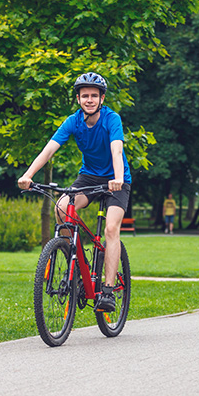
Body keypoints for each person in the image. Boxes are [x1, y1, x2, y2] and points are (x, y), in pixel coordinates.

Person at [18, 72, 130, 312]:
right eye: (84, 96)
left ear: (101, 98)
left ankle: (108, 291)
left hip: (116, 180)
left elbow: (116, 150)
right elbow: (49, 150)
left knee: (111, 228)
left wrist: (118, 178)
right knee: (61, 207)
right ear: (78, 99)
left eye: (94, 95)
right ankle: (76, 263)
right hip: (89, 177)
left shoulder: (112, 119)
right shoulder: (73, 121)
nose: (89, 99)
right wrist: (28, 175)